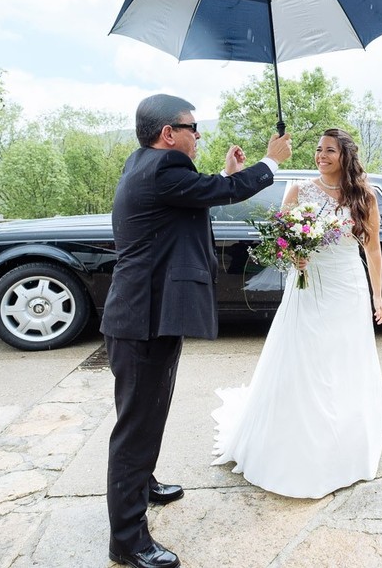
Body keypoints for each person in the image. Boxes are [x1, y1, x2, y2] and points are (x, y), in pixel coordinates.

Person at [101, 94, 291, 568]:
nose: (198, 135)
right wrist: (272, 160)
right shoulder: (165, 171)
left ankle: (142, 486)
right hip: (143, 320)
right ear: (169, 133)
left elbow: (202, 191)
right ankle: (127, 541)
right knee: (135, 427)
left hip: (147, 315)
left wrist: (224, 174)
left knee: (148, 414)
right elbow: (220, 193)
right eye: (193, 127)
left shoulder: (146, 165)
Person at [211, 128, 382, 499]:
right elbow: (282, 240)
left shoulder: (364, 197)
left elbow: (372, 250)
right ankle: (299, 443)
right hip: (308, 286)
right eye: (319, 150)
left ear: (345, 156)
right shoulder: (298, 191)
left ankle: (345, 442)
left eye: (330, 150)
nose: (321, 155)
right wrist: (295, 255)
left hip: (348, 288)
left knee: (342, 361)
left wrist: (377, 296)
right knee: (305, 359)